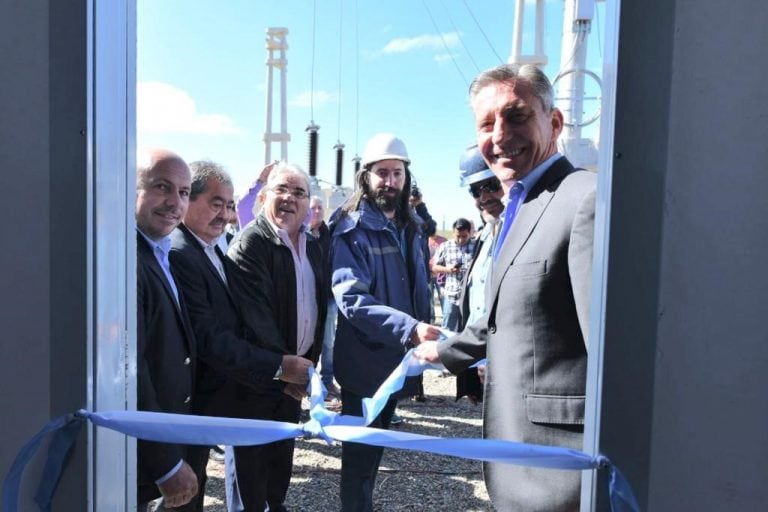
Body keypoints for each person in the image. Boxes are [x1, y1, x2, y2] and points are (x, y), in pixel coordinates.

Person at [417, 63, 596, 511]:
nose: (500, 135)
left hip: (561, 468)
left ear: (553, 122)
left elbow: (612, 354)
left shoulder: (582, 199)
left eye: (516, 116)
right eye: (486, 123)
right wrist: (445, 351)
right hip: (519, 458)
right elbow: (508, 314)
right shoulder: (521, 205)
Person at [168, 160, 313, 511]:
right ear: (189, 201)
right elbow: (209, 337)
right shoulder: (181, 252)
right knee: (182, 495)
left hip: (224, 396)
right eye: (216, 203)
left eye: (229, 206)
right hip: (194, 400)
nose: (225, 215)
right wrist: (278, 367)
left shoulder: (212, 247)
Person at [329, 132, 442, 511]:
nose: (390, 182)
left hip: (397, 362)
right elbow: (352, 299)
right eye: (382, 173)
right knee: (359, 461)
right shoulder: (352, 228)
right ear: (366, 177)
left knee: (375, 451)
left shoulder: (410, 227)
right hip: (366, 365)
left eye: (396, 173)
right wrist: (409, 329)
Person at [227, 162, 327, 512]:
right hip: (259, 380)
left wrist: (307, 368)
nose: (290, 198)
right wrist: (286, 372)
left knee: (280, 466)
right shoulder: (250, 243)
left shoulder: (313, 246)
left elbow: (318, 311)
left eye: (299, 192)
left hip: (294, 379)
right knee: (250, 476)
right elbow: (256, 319)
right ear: (265, 196)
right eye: (281, 189)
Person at [135, 149, 198, 510]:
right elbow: (131, 370)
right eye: (162, 187)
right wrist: (166, 463)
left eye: (184, 192)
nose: (175, 202)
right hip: (142, 454)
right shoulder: (127, 258)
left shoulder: (161, 253)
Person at [453, 144, 506, 404]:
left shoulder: (519, 228)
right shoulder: (486, 234)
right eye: (476, 190)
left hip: (504, 365)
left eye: (491, 185)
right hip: (481, 359)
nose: (484, 197)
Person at [308, 195, 342, 403]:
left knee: (328, 342)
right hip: (306, 297)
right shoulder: (299, 234)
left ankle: (327, 380)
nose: (318, 211)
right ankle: (306, 382)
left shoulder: (328, 234)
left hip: (327, 298)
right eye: (313, 208)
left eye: (320, 208)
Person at [430, 218, 475, 331]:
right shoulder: (445, 246)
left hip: (471, 298)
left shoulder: (477, 245)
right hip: (451, 296)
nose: (460, 240)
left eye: (464, 236)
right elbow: (434, 268)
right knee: (447, 329)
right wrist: (447, 269)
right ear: (453, 232)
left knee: (468, 330)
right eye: (457, 236)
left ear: (470, 233)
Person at [235, 161, 277, 227]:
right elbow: (243, 206)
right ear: (262, 199)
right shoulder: (255, 228)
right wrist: (260, 181)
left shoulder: (294, 228)